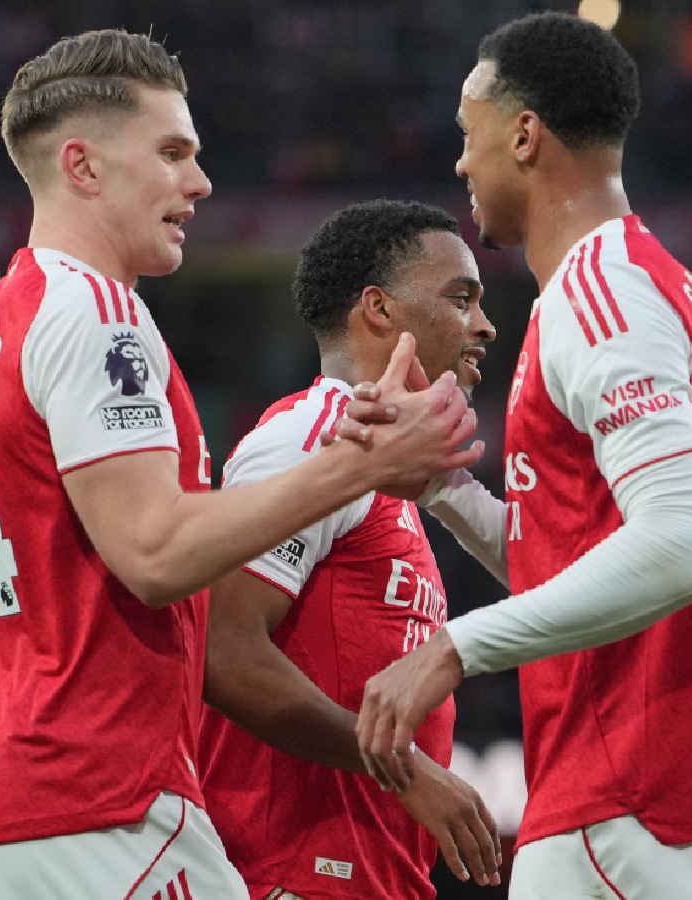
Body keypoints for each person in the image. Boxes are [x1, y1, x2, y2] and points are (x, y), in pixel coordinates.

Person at [0, 29, 484, 900]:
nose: (199, 181)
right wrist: (361, 465)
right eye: (173, 152)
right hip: (97, 794)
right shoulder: (96, 314)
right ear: (84, 166)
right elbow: (153, 556)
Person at [341, 13, 692, 899]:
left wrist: (454, 648)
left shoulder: (600, 292)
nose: (460, 165)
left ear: (524, 135)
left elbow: (685, 544)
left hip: (643, 793)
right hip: (653, 790)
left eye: (468, 136)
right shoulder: (632, 282)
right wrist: (441, 486)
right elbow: (582, 561)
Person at [199, 199, 502, 900]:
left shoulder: (388, 475)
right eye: (461, 298)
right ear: (379, 310)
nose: (484, 325)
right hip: (285, 872)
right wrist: (404, 767)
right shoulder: (314, 438)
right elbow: (225, 649)